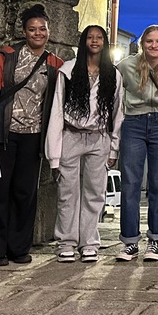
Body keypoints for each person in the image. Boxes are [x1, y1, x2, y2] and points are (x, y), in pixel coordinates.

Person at [0, 4, 64, 266]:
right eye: (32, 29)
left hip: (33, 136)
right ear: (24, 32)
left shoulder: (54, 64)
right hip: (3, 133)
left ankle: (18, 248)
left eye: (42, 29)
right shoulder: (7, 56)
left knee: (25, 193)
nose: (38, 33)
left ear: (49, 31)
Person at [46, 25, 123, 263]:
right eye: (90, 37)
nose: (95, 41)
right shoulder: (67, 71)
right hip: (71, 135)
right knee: (67, 192)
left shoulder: (113, 75)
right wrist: (54, 153)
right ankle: (66, 242)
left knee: (95, 193)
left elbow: (118, 113)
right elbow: (57, 111)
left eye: (99, 37)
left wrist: (114, 147)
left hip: (99, 137)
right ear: (83, 41)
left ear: (105, 42)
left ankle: (89, 242)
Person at [115, 25, 158, 262]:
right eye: (149, 42)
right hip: (133, 122)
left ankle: (155, 240)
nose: (154, 46)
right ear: (142, 44)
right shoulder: (126, 65)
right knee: (131, 182)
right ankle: (130, 241)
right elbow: (111, 88)